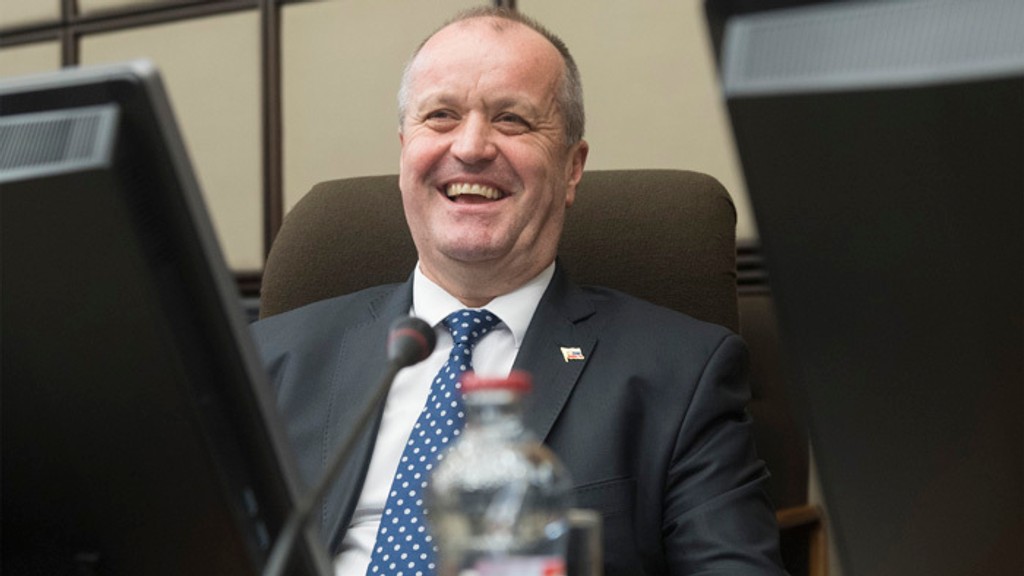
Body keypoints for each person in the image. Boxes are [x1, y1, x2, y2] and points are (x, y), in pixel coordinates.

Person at [252, 6, 785, 575]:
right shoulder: (269, 360)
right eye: (441, 116)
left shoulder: (682, 374)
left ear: (572, 167)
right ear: (404, 148)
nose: (472, 147)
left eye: (512, 120)